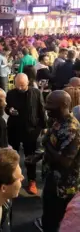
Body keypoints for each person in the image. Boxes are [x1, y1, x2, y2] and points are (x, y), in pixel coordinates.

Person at [42, 90, 80, 231]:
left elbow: (65, 161)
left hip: (64, 187)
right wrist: (40, 155)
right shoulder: (56, 120)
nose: (46, 107)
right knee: (48, 217)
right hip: (51, 179)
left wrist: (46, 144)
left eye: (51, 104)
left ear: (63, 105)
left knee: (57, 221)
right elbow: (55, 145)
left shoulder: (72, 129)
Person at [5, 73, 46, 195]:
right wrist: (9, 110)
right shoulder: (11, 93)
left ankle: (32, 180)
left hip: (31, 130)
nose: (20, 88)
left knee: (30, 156)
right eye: (18, 85)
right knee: (12, 156)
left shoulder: (36, 93)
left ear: (27, 83)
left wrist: (43, 127)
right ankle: (12, 179)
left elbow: (41, 109)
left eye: (22, 85)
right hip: (14, 129)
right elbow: (6, 107)